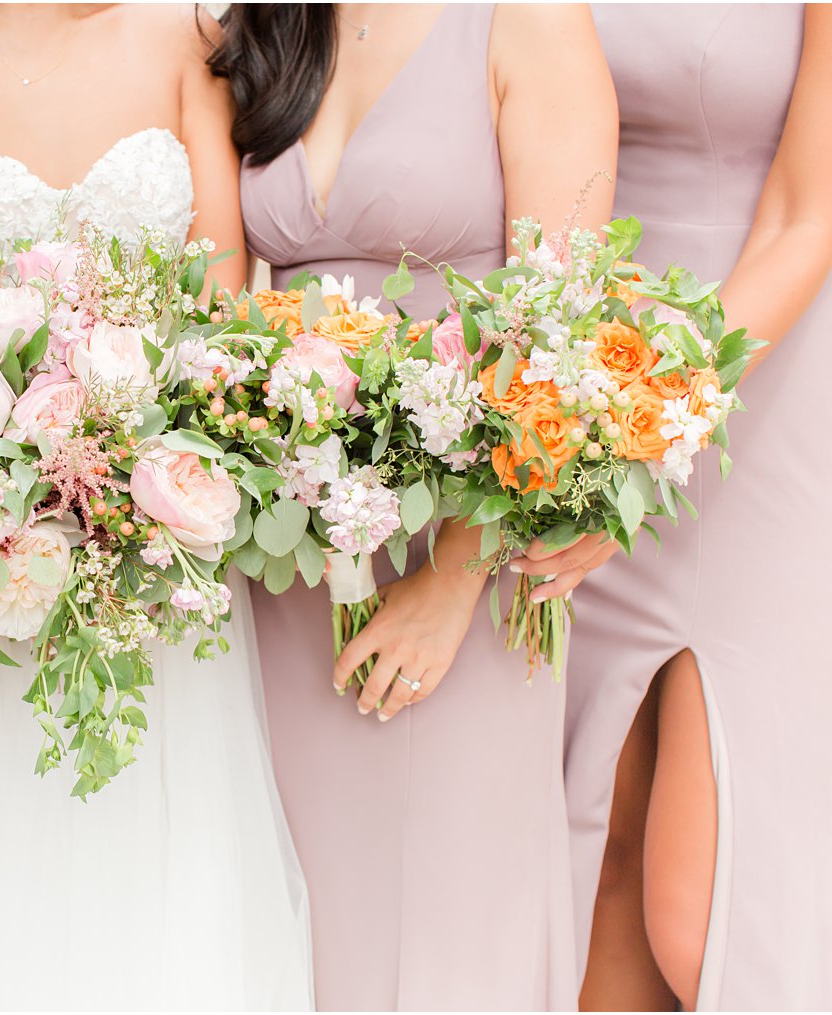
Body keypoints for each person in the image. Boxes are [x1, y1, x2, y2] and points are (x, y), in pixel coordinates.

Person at [0, 5, 312, 1008]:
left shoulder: (181, 43)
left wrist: (127, 476)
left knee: (163, 898)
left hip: (148, 566)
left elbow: (219, 311)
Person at [215, 3, 617, 1007]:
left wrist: (452, 576)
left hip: (468, 554)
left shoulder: (525, 23)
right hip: (289, 562)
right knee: (303, 932)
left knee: (451, 924)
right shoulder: (265, 26)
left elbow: (557, 329)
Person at [556, 5, 832, 1009]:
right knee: (592, 866)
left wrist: (641, 436)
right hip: (575, 402)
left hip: (762, 407)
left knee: (705, 907)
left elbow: (807, 213)